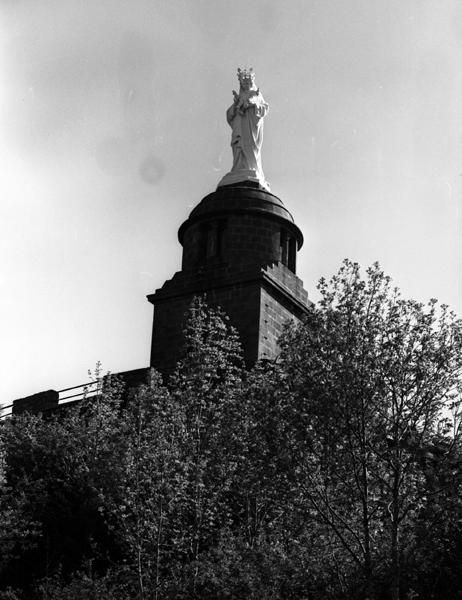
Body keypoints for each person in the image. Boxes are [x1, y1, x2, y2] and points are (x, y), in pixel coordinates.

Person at [218, 68, 270, 190]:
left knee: (250, 148)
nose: (246, 85)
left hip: (250, 127)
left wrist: (252, 105)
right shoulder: (240, 96)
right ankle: (239, 169)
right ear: (241, 83)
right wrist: (236, 106)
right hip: (239, 126)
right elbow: (229, 114)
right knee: (237, 145)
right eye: (244, 83)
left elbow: (264, 108)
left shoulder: (255, 94)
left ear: (251, 82)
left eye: (248, 83)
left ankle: (250, 169)